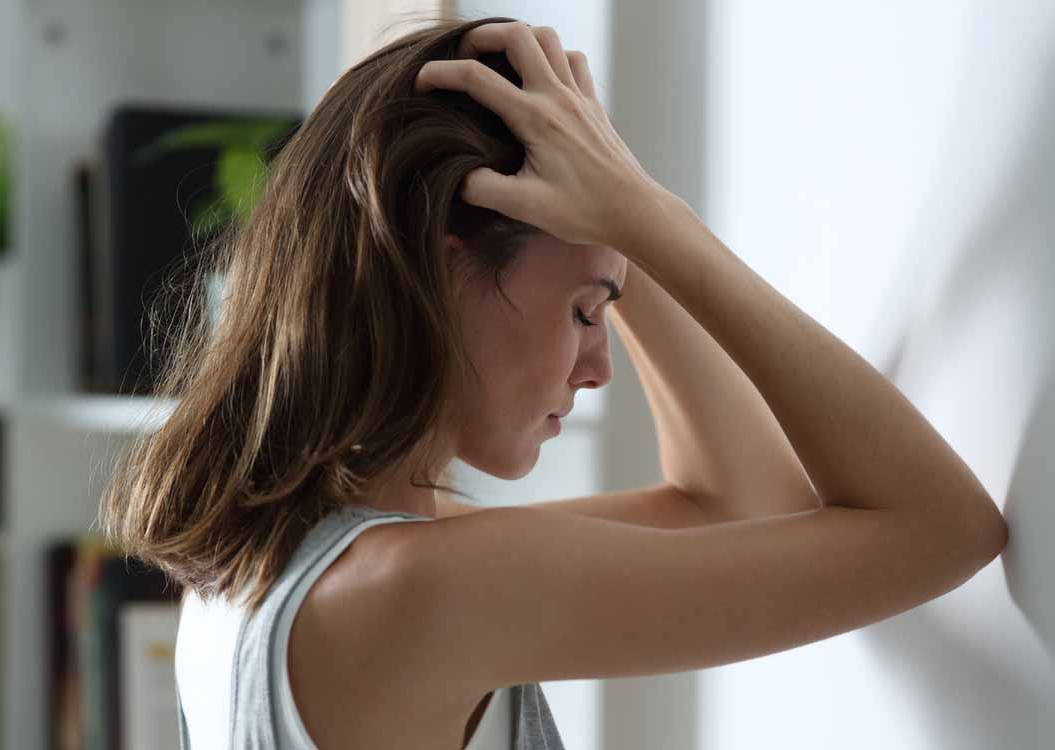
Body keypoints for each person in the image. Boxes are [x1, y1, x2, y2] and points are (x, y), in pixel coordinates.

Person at [98, 14, 1008, 750]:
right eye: (583, 311)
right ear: (447, 273)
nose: (600, 366)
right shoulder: (424, 588)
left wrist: (618, 214)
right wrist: (650, 221)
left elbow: (745, 504)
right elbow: (945, 529)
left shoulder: (270, 568)